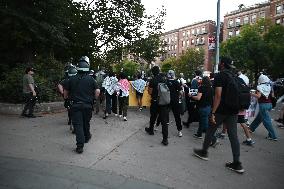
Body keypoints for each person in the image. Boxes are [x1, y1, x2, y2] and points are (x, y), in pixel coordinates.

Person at [193, 57, 245, 174]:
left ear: (222, 64)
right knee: (233, 136)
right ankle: (237, 163)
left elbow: (218, 95)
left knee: (211, 130)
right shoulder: (235, 76)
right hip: (233, 110)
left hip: (221, 110)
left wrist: (213, 112)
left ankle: (204, 152)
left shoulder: (220, 76)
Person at [64, 56, 100, 154]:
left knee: (78, 125)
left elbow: (65, 92)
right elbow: (97, 91)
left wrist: (66, 98)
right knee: (86, 122)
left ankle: (80, 146)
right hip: (88, 106)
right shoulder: (91, 79)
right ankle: (87, 136)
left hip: (75, 106)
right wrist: (94, 99)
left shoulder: (71, 79)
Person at [145, 66, 170, 145]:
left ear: (152, 72)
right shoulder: (164, 79)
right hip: (163, 102)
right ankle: (165, 139)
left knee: (153, 116)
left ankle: (151, 130)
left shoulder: (153, 80)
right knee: (164, 121)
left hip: (155, 101)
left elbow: (150, 92)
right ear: (159, 71)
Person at [249, 74, 278, 141]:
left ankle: (273, 136)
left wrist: (251, 93)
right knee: (260, 117)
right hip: (269, 104)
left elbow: (258, 96)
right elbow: (272, 95)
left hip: (263, 105)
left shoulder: (259, 87)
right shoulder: (270, 86)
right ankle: (251, 128)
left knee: (266, 121)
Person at [58, 65, 77, 132]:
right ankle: (73, 123)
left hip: (69, 98)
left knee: (70, 109)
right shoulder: (77, 80)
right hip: (75, 98)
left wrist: (63, 93)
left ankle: (70, 120)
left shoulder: (66, 80)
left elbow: (59, 85)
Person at [167, 70, 183, 137]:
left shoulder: (166, 82)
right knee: (177, 116)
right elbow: (181, 92)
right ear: (173, 75)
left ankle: (157, 126)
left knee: (164, 114)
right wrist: (180, 97)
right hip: (175, 101)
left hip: (167, 100)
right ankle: (179, 131)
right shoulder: (176, 82)